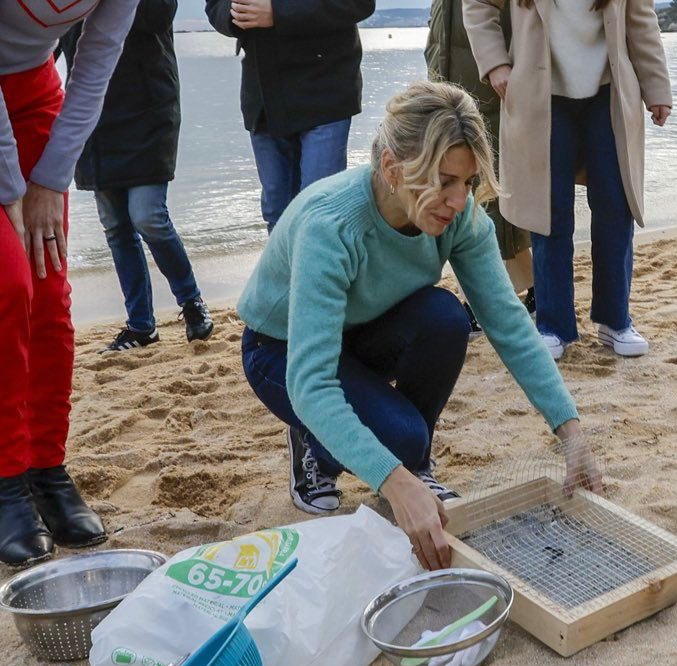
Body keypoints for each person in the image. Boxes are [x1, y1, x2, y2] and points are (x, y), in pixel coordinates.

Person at [239, 81, 601, 570]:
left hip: (362, 331)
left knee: (445, 316)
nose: (459, 200)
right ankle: (318, 447)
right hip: (280, 352)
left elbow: (509, 322)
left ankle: (404, 459)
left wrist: (570, 432)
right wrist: (393, 481)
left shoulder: (460, 218)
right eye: (444, 181)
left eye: (468, 182)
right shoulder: (331, 226)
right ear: (392, 168)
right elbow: (311, 382)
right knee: (403, 444)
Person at [0, 0, 140, 568]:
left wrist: (51, 180)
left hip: (34, 93)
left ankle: (45, 468)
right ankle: (5, 481)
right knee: (9, 285)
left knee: (49, 293)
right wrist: (12, 188)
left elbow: (95, 66)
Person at [463, 0, 671, 359]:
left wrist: (657, 89)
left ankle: (615, 321)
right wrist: (496, 63)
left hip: (610, 92)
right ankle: (552, 325)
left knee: (615, 205)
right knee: (548, 212)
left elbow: (641, 21)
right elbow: (478, 5)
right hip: (539, 94)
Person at [59, 1, 214, 354]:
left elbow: (156, 16)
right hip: (93, 115)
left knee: (148, 216)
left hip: (150, 108)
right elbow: (47, 38)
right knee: (116, 226)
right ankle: (142, 326)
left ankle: (191, 301)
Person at [205, 0, 375, 232]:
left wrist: (278, 12)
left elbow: (359, 3)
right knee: (277, 211)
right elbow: (216, 6)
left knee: (319, 210)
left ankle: (324, 255)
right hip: (263, 94)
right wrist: (235, 13)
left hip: (326, 89)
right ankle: (288, 257)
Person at [425, 0, 535, 337]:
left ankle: (490, 300)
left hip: (489, 90)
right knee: (477, 200)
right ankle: (531, 288)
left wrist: (499, 66)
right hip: (451, 94)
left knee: (492, 200)